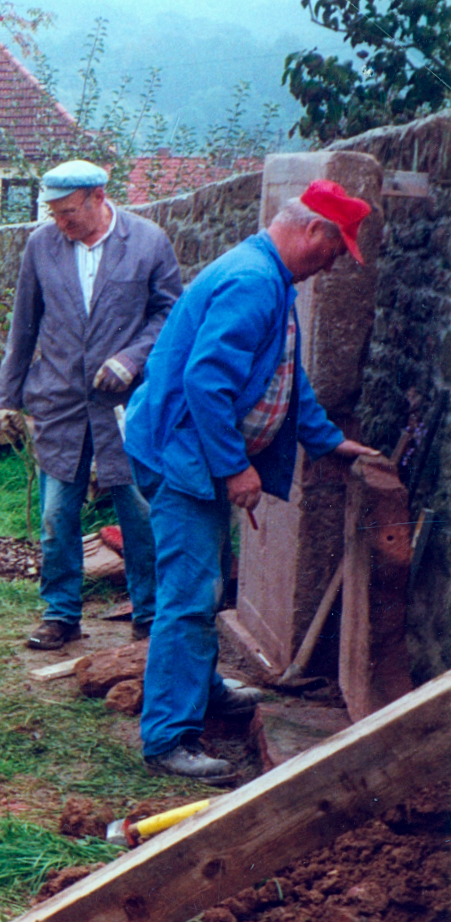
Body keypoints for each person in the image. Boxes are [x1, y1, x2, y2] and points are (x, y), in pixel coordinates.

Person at [124, 179, 380, 783]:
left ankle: (200, 692)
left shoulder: (270, 277)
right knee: (189, 597)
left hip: (185, 449)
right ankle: (168, 739)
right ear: (313, 229)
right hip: (180, 457)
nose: (335, 261)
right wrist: (235, 467)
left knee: (205, 584)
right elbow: (205, 383)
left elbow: (283, 379)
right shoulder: (253, 281)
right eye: (336, 247)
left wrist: (327, 440)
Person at [0, 159, 182, 650]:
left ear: (99, 197)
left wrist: (133, 357)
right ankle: (60, 615)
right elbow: (24, 324)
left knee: (139, 513)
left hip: (125, 407)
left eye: (68, 212)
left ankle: (150, 614)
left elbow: (170, 314)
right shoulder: (42, 246)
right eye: (54, 213)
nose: (61, 223)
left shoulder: (147, 242)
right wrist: (7, 398)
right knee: (57, 515)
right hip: (58, 402)